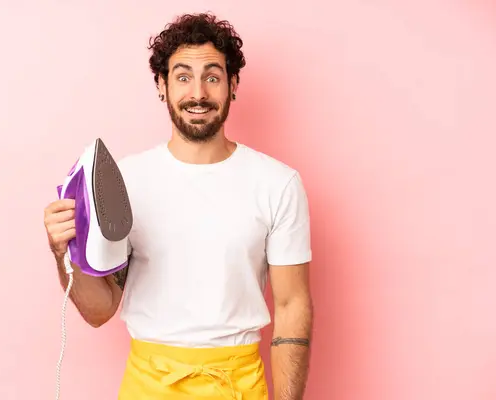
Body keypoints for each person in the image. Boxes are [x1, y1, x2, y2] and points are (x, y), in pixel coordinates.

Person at [43, 12, 313, 400]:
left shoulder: (278, 183)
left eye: (213, 77)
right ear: (162, 85)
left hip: (237, 385)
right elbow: (99, 310)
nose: (198, 93)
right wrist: (61, 252)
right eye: (183, 76)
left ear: (232, 84)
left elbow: (292, 305)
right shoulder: (125, 182)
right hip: (149, 385)